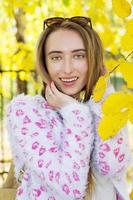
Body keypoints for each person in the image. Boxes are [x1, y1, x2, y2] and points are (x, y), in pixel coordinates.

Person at [6, 16, 131, 200]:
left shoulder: (105, 107)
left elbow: (109, 165)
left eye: (79, 56)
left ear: (93, 59)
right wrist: (75, 114)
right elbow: (69, 188)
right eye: (56, 57)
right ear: (45, 63)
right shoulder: (26, 112)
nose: (67, 69)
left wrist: (103, 94)